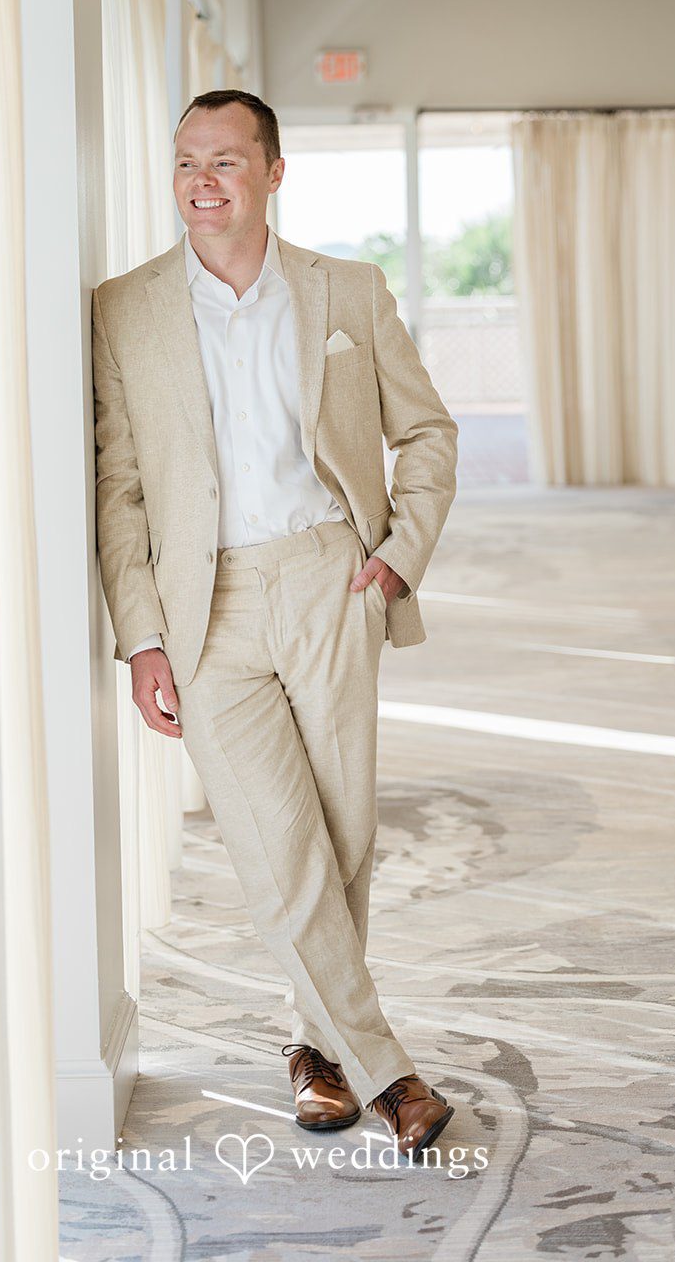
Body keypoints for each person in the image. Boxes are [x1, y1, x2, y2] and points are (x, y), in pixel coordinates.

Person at [92, 89, 459, 1161]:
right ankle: (392, 1078)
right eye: (184, 163)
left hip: (326, 580)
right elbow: (118, 486)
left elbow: (427, 430)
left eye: (225, 162)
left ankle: (317, 1057)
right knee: (274, 844)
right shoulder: (124, 308)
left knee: (342, 836)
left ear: (273, 172)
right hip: (200, 607)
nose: (202, 183)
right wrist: (140, 632)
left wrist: (395, 556)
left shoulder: (345, 289)